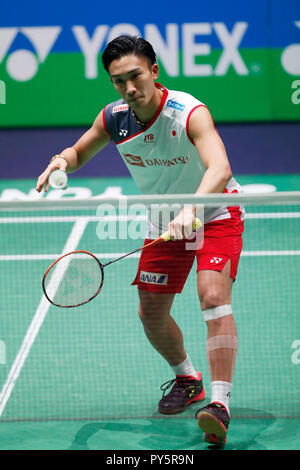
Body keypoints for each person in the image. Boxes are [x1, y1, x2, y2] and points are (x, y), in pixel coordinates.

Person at [36, 35, 244, 446]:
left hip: (215, 211)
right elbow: (79, 152)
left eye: (135, 76)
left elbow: (219, 168)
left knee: (212, 295)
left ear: (154, 71)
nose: (129, 88)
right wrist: (61, 160)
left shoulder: (188, 112)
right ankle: (188, 380)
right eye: (118, 81)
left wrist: (193, 210)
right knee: (150, 311)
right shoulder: (114, 118)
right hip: (164, 221)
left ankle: (219, 404)